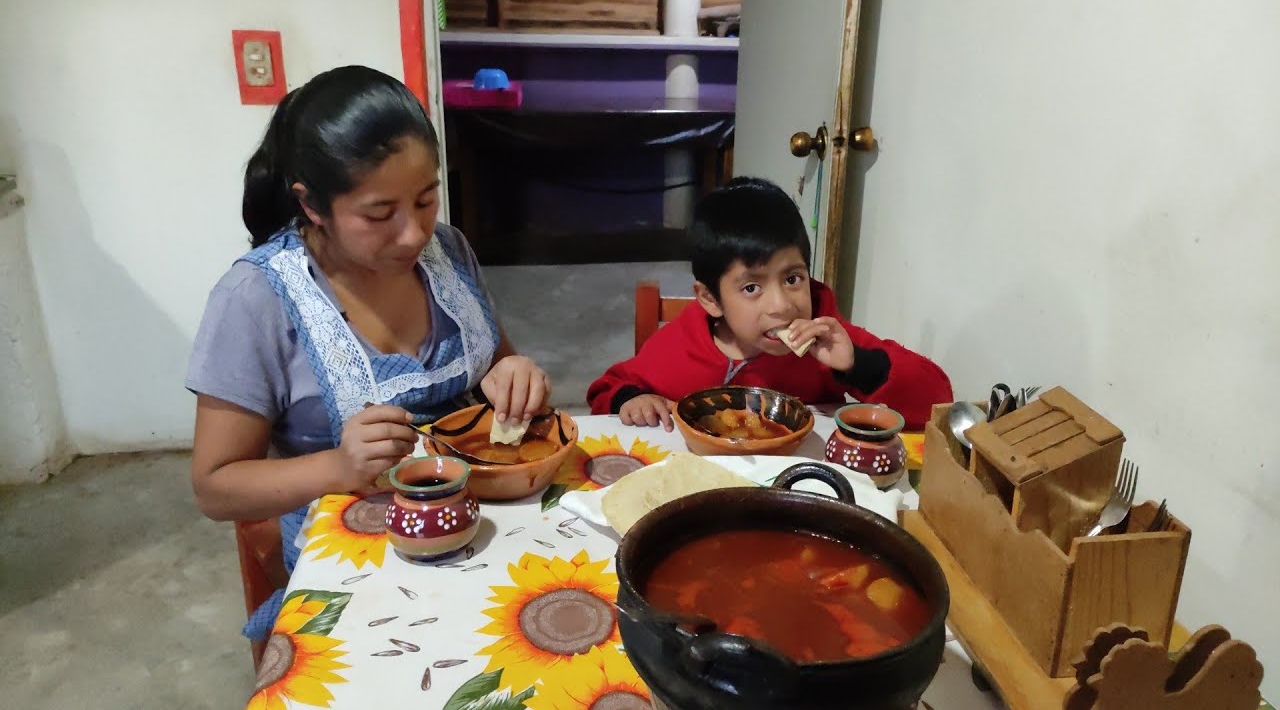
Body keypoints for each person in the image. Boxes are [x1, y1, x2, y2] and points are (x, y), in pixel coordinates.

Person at [185, 66, 551, 639]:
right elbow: (214, 486)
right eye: (380, 214)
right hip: (359, 561)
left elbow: (494, 367)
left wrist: (513, 374)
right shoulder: (256, 299)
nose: (413, 234)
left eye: (427, 199)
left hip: (482, 522)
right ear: (312, 206)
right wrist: (339, 466)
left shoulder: (447, 250)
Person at [587, 177, 951, 430]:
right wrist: (631, 399)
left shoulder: (828, 342)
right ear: (710, 299)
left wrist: (857, 364)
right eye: (751, 288)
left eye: (792, 279)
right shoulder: (678, 347)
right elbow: (607, 389)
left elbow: (937, 402)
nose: (781, 305)